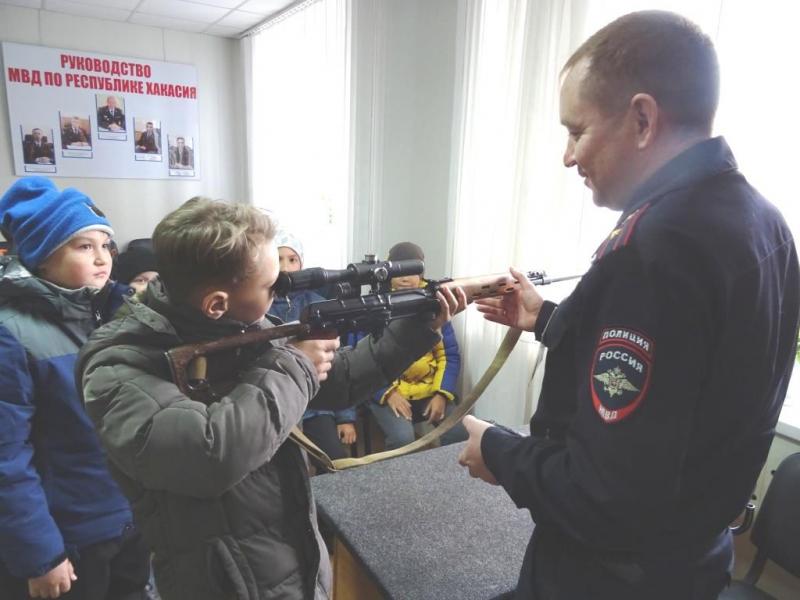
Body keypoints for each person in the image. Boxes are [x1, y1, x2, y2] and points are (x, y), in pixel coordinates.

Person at [457, 10, 800, 600]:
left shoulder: (655, 248)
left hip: (607, 574)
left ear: (642, 118)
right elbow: (684, 373)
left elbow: (605, 497)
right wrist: (546, 317)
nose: (568, 156)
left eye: (576, 130)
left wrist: (497, 450)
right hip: (692, 559)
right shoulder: (763, 224)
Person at [77, 198, 466, 600]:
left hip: (293, 557)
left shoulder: (235, 323)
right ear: (216, 303)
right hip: (223, 583)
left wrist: (416, 329)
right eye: (271, 285)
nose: (283, 290)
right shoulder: (116, 367)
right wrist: (296, 362)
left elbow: (339, 381)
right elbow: (211, 454)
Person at [0, 177, 149, 599]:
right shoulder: (12, 335)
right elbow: (7, 457)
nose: (103, 258)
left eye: (106, 245)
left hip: (127, 516)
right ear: (43, 256)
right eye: (84, 247)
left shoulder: (119, 314)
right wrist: (40, 554)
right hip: (67, 536)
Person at [367, 241, 466, 450]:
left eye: (412, 270)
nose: (405, 277)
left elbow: (449, 355)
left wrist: (441, 394)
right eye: (398, 270)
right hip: (390, 392)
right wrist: (389, 393)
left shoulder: (435, 303)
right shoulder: (373, 305)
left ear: (421, 272)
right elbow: (364, 361)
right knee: (402, 439)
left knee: (458, 431)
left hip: (429, 389)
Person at [268, 231, 358, 460]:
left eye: (292, 259)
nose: (286, 267)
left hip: (317, 404)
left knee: (335, 459)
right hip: (277, 403)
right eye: (278, 259)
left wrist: (345, 417)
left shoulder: (319, 305)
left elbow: (337, 362)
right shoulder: (260, 307)